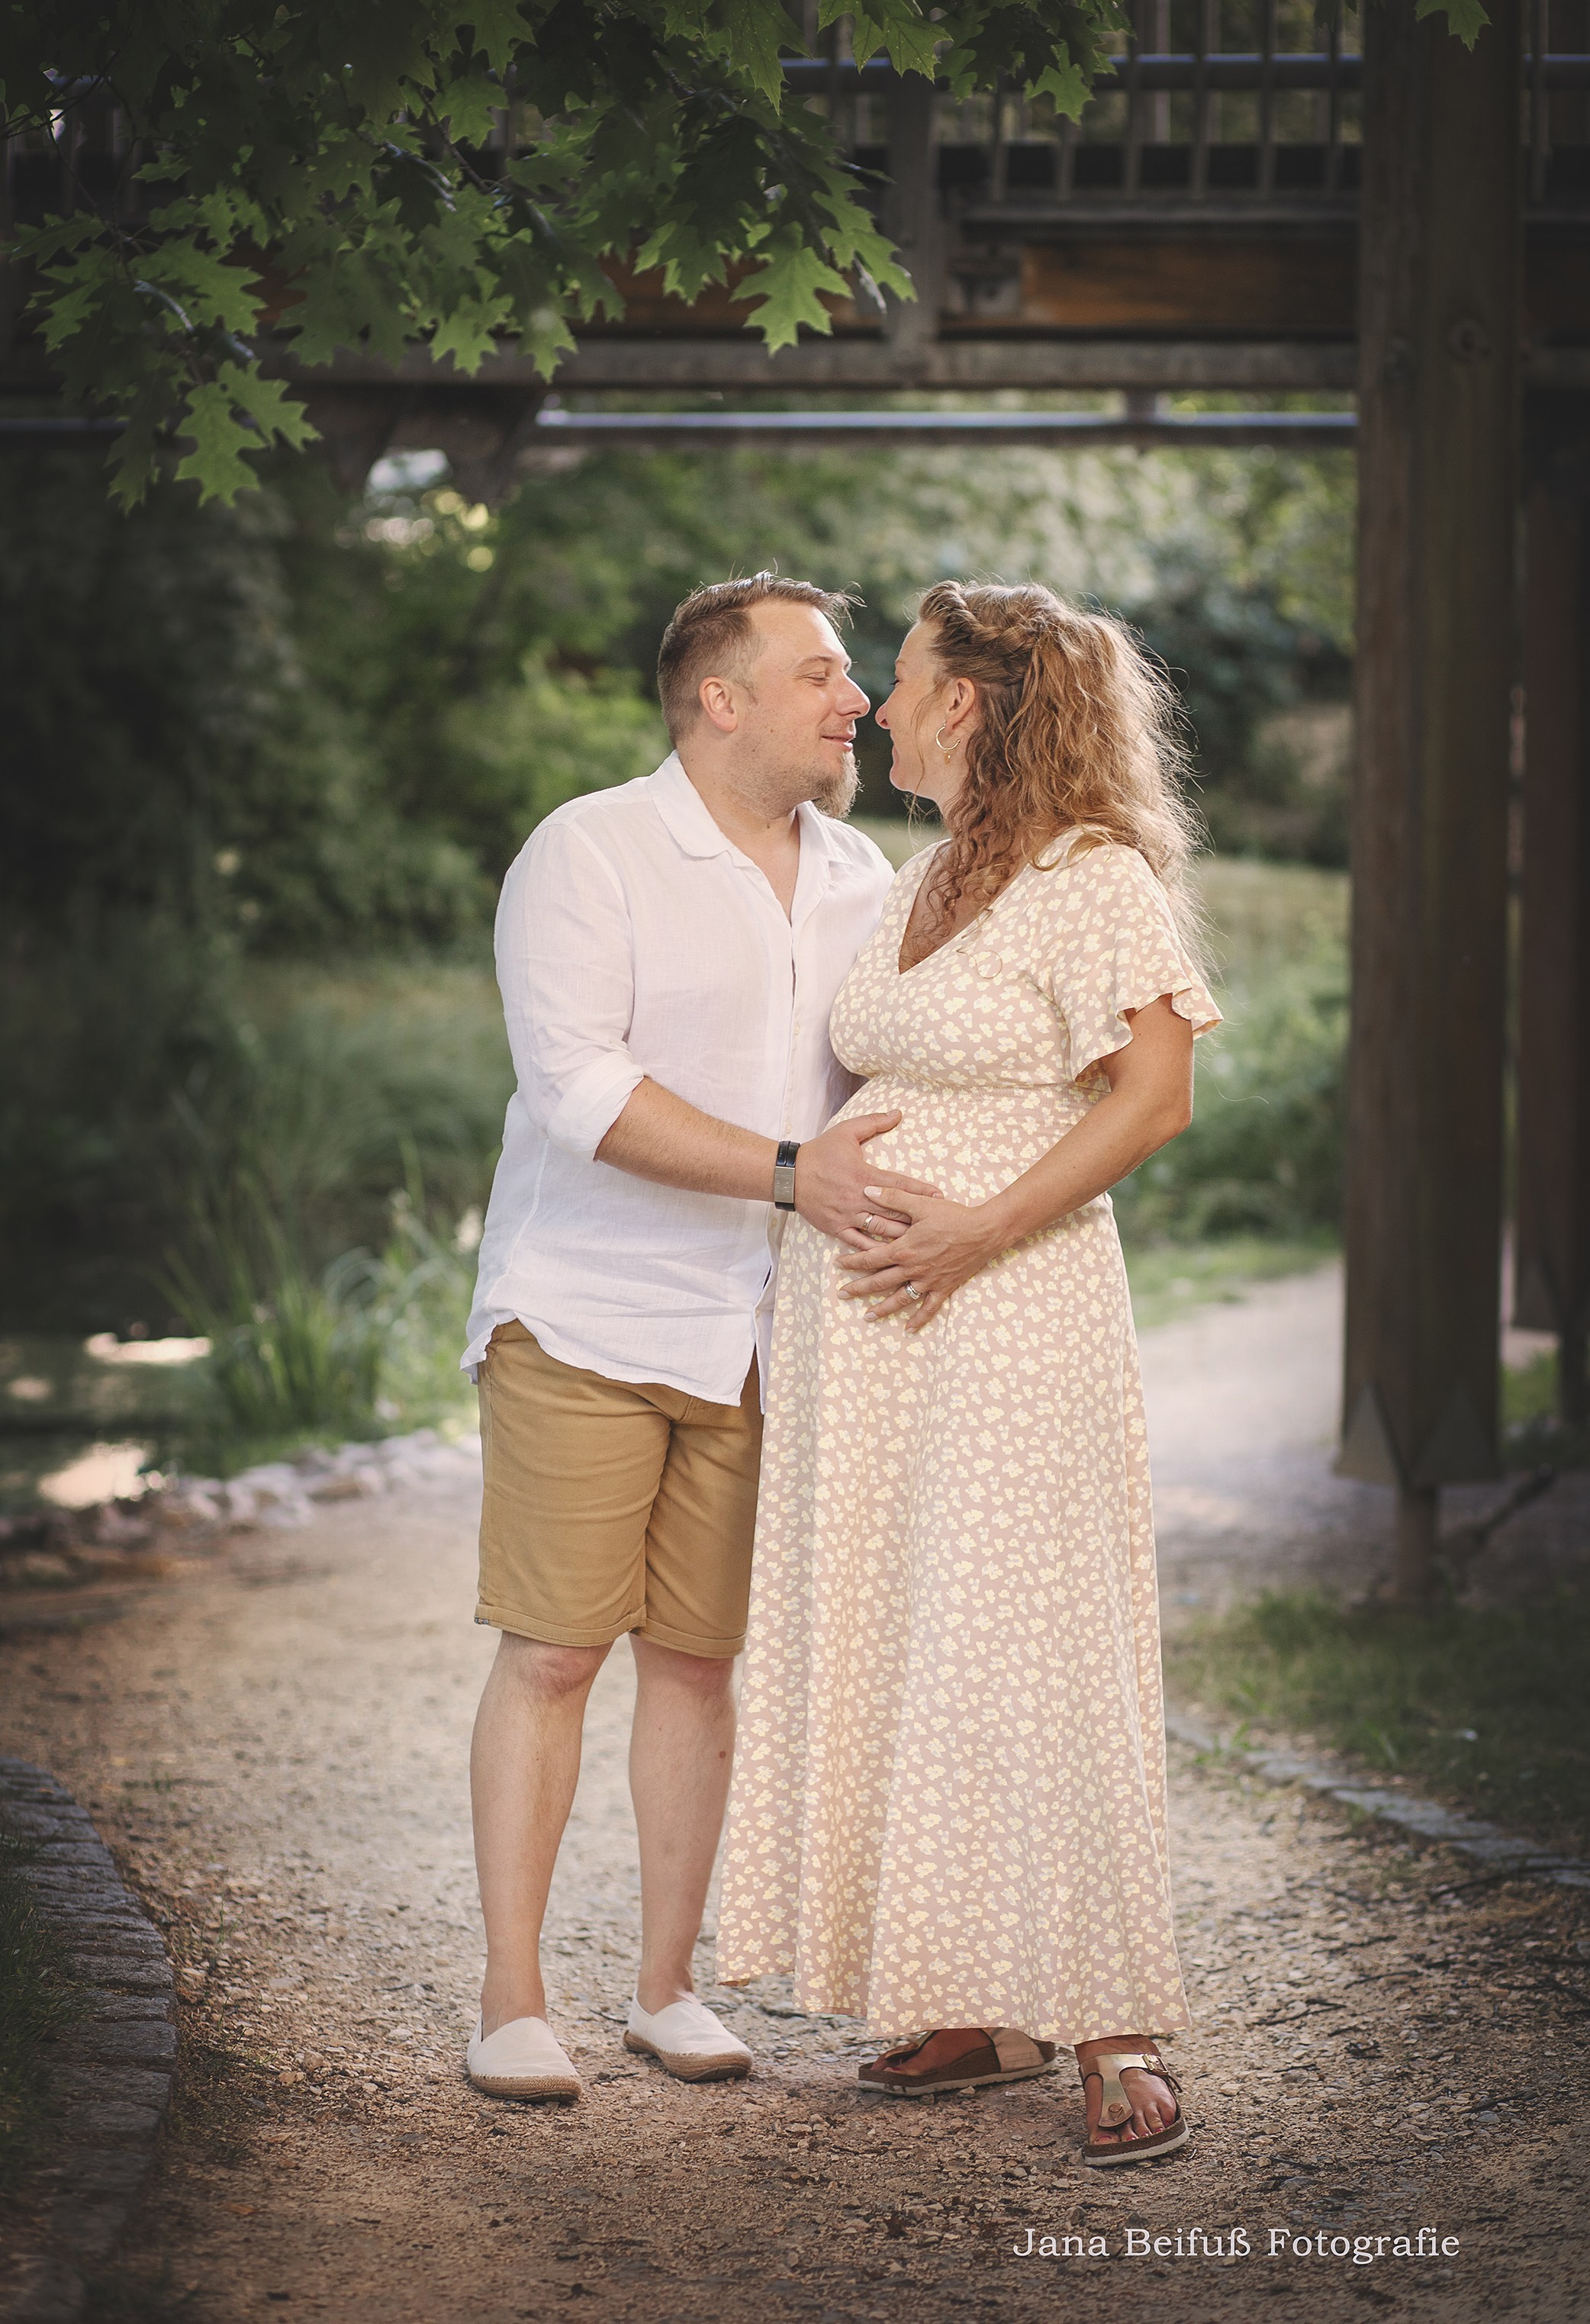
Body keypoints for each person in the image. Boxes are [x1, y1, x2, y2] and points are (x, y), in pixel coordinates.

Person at [717, 581, 1221, 2164]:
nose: (878, 702)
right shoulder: (925, 874)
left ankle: (1115, 2021)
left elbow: (1154, 1096)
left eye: (903, 675)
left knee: (1029, 1645)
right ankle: (979, 1998)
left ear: (973, 701)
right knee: (915, 1642)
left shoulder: (1091, 876)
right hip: (875, 1343)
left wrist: (976, 1229)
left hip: (1009, 1314)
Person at [459, 573, 938, 2102]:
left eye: (852, 675)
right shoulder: (589, 850)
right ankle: (511, 2001)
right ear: (719, 699)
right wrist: (796, 1174)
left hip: (763, 1335)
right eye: (821, 673)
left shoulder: (863, 874)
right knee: (553, 1653)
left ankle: (665, 1990)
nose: (855, 699)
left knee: (696, 1664)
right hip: (588, 1312)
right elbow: (578, 1090)